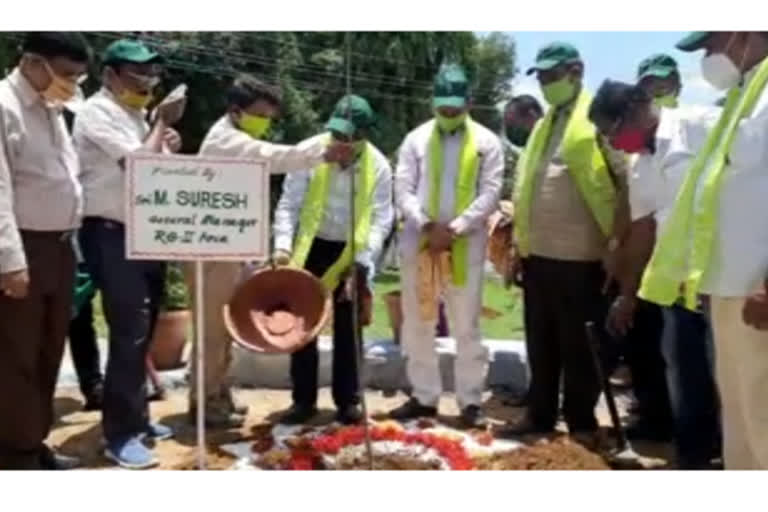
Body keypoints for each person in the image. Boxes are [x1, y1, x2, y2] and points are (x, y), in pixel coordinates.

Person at [187, 74, 355, 428]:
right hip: (211, 250)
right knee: (213, 332)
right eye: (261, 114)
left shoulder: (238, 135)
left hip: (228, 246)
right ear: (236, 111)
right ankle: (204, 404)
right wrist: (320, 154)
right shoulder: (227, 140)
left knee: (226, 326)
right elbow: (272, 156)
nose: (266, 122)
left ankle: (217, 395)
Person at [639, 31, 768, 469]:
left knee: (763, 422)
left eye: (711, 45)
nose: (709, 58)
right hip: (730, 291)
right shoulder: (744, 96)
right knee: (741, 426)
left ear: (744, 33)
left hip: (760, 293)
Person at [589, 79, 722, 468]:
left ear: (636, 109)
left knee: (735, 381)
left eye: (613, 133)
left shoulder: (700, 126)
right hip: (676, 291)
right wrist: (628, 295)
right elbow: (644, 229)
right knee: (686, 379)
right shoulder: (638, 164)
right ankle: (693, 460)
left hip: (723, 280)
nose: (613, 144)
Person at [501, 42, 629, 442]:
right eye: (540, 77)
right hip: (537, 257)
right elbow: (526, 187)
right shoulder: (543, 124)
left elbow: (627, 182)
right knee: (541, 345)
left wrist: (617, 247)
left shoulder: (598, 122)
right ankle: (539, 417)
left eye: (551, 75)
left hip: (583, 259)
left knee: (580, 349)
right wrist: (520, 247)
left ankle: (581, 425)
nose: (544, 83)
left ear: (576, 71)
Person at [73, 38, 185, 469]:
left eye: (152, 76)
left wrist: (165, 137)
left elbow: (156, 172)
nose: (147, 83)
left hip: (145, 234)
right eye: (137, 76)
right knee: (129, 333)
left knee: (144, 331)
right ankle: (119, 434)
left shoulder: (135, 116)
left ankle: (137, 418)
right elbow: (139, 165)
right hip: (109, 234)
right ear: (110, 75)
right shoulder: (95, 113)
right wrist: (160, 125)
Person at [388, 63, 503, 428]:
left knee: (466, 324)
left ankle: (470, 402)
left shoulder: (487, 142)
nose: (449, 114)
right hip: (419, 244)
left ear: (469, 103)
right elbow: (402, 187)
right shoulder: (415, 139)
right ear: (433, 103)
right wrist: (425, 224)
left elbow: (490, 193)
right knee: (419, 323)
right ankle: (424, 398)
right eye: (443, 108)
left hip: (464, 247)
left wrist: (454, 228)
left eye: (456, 108)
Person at [273, 94, 393, 425]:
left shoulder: (379, 167)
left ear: (365, 136)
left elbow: (382, 219)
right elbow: (289, 204)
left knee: (348, 327)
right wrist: (282, 245)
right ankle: (303, 400)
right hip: (310, 248)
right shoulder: (310, 152)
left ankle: (348, 402)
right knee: (302, 326)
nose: (341, 143)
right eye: (337, 134)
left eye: (349, 137)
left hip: (352, 252)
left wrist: (362, 263)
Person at [0, 32, 90, 470]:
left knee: (49, 349)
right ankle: (15, 456)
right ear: (33, 62)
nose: (72, 84)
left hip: (59, 247)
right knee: (16, 354)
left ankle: (33, 441)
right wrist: (10, 261)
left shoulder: (54, 108)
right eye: (67, 74)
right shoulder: (4, 106)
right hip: (24, 248)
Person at [501, 94, 543, 198]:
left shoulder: (554, 149)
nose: (510, 128)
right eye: (507, 124)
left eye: (512, 122)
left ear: (532, 116)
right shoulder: (527, 153)